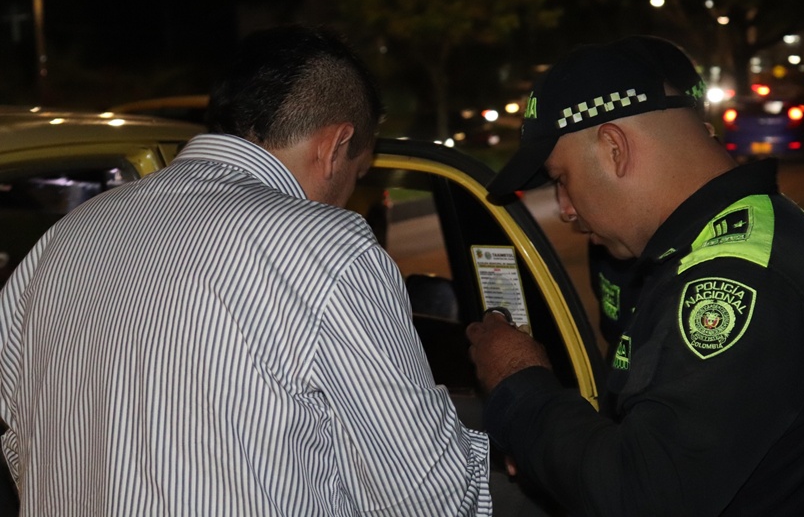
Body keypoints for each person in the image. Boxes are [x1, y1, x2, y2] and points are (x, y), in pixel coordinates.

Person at [0, 25, 491, 515]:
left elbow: (20, 443)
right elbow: (427, 497)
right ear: (335, 145)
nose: (347, 196)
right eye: (356, 174)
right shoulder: (330, 249)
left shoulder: (62, 239)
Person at [468, 34, 804, 515]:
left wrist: (519, 382)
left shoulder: (734, 282)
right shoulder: (768, 228)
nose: (565, 209)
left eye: (562, 179)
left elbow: (641, 497)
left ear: (614, 148)